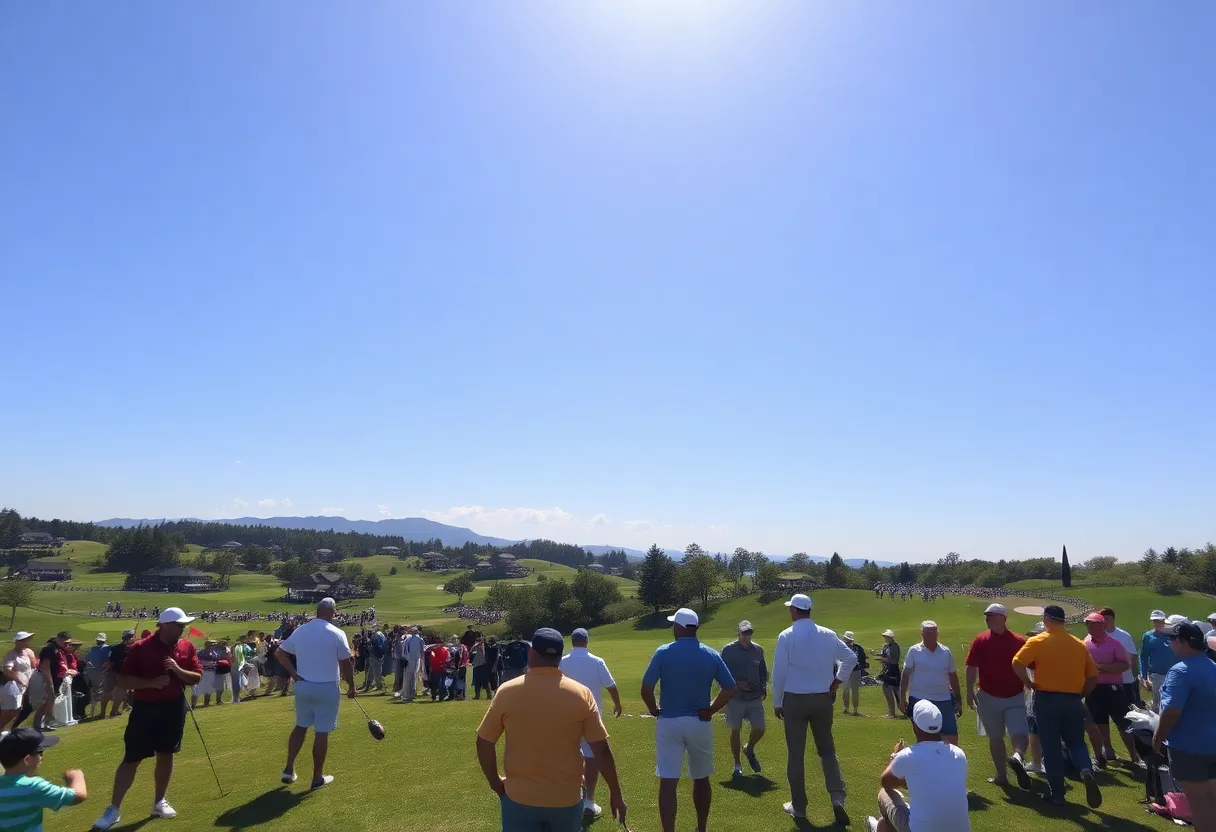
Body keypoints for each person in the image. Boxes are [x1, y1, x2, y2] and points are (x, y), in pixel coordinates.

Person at [476, 628, 627, 831]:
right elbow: (601, 749)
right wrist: (615, 793)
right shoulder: (582, 694)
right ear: (559, 656)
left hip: (520, 797)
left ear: (532, 654)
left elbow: (484, 741)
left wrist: (495, 783)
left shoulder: (507, 691)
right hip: (566, 799)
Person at [91, 607, 204, 830]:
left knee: (166, 753)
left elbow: (196, 677)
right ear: (164, 625)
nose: (183, 628)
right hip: (145, 708)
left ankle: (159, 801)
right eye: (179, 624)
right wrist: (151, 683)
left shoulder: (186, 646)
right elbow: (123, 680)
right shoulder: (140, 648)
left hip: (174, 707)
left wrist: (178, 670)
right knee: (132, 757)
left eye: (184, 624)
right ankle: (113, 809)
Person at [641, 607, 737, 832]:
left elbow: (646, 688)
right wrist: (711, 710)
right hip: (699, 723)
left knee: (668, 780)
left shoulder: (663, 652)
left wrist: (653, 708)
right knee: (701, 777)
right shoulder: (710, 653)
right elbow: (730, 688)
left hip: (669, 722)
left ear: (679, 627)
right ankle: (701, 828)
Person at [771, 593, 855, 824]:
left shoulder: (786, 636)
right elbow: (850, 657)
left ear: (795, 611)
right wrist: (837, 681)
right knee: (827, 750)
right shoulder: (828, 634)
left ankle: (799, 808)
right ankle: (837, 797)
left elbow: (778, 674)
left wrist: (777, 702)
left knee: (796, 755)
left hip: (795, 700)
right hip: (822, 699)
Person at [1011, 605, 1102, 809]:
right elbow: (1093, 677)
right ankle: (1086, 770)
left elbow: (1017, 663)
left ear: (1046, 619)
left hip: (1046, 699)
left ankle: (1057, 793)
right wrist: (1081, 694)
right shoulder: (1079, 644)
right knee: (1076, 742)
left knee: (1050, 746)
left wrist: (1028, 683)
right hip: (1072, 699)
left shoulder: (1038, 640)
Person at [274, 597, 356, 790]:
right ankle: (317, 777)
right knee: (322, 731)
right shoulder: (337, 633)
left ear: (317, 611)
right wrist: (352, 686)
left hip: (303, 686)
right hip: (326, 688)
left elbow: (280, 653)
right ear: (333, 613)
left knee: (301, 726)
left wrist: (293, 674)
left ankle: (288, 769)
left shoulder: (301, 630)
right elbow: (345, 663)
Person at [865, 700, 970, 832]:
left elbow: (886, 782)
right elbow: (937, 783)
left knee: (884, 794)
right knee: (886, 822)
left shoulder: (908, 755)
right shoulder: (958, 754)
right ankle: (880, 827)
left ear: (915, 726)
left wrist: (894, 757)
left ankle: (877, 829)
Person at [1153, 620, 1216, 831]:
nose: (1170, 644)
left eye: (1172, 639)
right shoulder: (1213, 667)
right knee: (1212, 800)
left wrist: (1158, 736)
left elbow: (1171, 711)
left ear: (1183, 642)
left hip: (1189, 748)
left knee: (1199, 803)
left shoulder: (1180, 671)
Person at [964, 603, 1030, 788]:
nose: (987, 619)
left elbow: (1030, 666)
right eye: (986, 616)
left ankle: (1016, 758)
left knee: (1018, 732)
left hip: (1015, 695)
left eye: (991, 616)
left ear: (1003, 618)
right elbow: (971, 667)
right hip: (988, 695)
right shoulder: (980, 640)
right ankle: (1003, 773)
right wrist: (969, 690)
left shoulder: (1019, 641)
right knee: (996, 736)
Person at [560, 627, 623, 819]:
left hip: (566, 717)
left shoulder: (562, 662)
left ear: (572, 642)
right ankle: (589, 801)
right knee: (591, 757)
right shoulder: (597, 661)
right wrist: (618, 704)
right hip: (591, 716)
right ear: (586, 641)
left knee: (568, 756)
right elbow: (611, 686)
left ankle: (569, 798)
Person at [1081, 612, 1142, 770]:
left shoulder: (1114, 643)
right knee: (1099, 723)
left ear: (1102, 625)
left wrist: (1100, 667)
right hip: (1094, 689)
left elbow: (1124, 665)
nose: (1089, 626)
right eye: (1088, 624)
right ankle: (1106, 753)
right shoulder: (1085, 643)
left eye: (1093, 623)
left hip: (1114, 689)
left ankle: (1135, 757)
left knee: (1123, 724)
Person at [0, 728, 87, 828]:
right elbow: (79, 796)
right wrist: (76, 776)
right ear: (27, 760)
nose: (42, 757)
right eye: (40, 753)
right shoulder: (33, 787)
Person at [900, 621, 961, 745]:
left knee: (951, 736)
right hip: (919, 699)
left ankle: (948, 762)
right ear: (922, 634)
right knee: (924, 737)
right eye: (928, 633)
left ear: (937, 633)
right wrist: (902, 698)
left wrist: (958, 700)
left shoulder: (945, 652)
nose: (931, 635)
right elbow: (905, 675)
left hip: (943, 699)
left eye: (934, 632)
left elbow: (953, 676)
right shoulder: (914, 651)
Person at [721, 620, 768, 778]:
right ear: (738, 633)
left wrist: (763, 687)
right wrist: (737, 683)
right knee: (736, 730)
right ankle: (737, 764)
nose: (747, 636)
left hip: (754, 696)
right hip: (735, 697)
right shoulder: (728, 650)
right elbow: (721, 672)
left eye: (749, 633)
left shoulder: (758, 650)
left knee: (759, 728)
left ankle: (749, 748)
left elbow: (763, 672)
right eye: (744, 633)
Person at [1098, 607, 1141, 710]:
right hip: (1103, 682)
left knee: (1129, 712)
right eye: (1101, 620)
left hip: (1125, 681)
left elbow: (1133, 658)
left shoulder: (1124, 636)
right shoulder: (1095, 637)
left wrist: (1135, 678)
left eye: (1106, 619)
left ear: (1113, 619)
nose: (1104, 622)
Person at [1, 633, 38, 735]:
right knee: (10, 711)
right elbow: (7, 670)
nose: (26, 642)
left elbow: (31, 667)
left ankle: (11, 730)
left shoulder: (26, 653)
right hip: (14, 687)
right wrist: (19, 679)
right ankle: (4, 730)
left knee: (20, 709)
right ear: (17, 642)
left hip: (25, 686)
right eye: (23, 640)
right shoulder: (12, 654)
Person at [1141, 609, 1175, 712]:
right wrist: (1144, 677)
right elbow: (1144, 657)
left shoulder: (1172, 635)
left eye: (1160, 621)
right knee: (1159, 703)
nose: (1157, 623)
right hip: (1157, 675)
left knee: (1173, 702)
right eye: (1155, 621)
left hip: (1175, 673)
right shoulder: (1148, 636)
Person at [105, 631, 135, 718]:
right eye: (131, 637)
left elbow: (111, 661)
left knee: (112, 692)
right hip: (120, 674)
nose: (133, 639)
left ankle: (109, 712)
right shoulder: (130, 649)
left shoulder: (115, 648)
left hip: (114, 672)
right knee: (119, 694)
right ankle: (113, 712)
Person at [841, 631, 868, 716]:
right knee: (845, 690)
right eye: (846, 641)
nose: (847, 643)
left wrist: (861, 667)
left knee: (855, 690)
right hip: (845, 671)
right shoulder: (841, 648)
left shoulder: (858, 648)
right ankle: (846, 708)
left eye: (849, 641)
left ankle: (855, 709)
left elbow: (862, 659)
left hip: (856, 671)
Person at [877, 630, 902, 718]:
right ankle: (892, 712)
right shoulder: (885, 646)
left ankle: (897, 712)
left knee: (896, 693)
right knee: (887, 691)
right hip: (887, 671)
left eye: (887, 637)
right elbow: (884, 655)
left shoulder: (895, 646)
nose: (885, 638)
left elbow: (895, 660)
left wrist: (883, 659)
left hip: (893, 671)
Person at [400, 626, 423, 702]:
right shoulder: (418, 639)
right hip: (414, 661)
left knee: (408, 678)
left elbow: (403, 651)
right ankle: (410, 694)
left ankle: (409, 694)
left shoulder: (408, 639)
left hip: (408, 660)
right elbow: (421, 651)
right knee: (413, 677)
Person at [231, 635, 252, 703]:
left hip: (240, 667)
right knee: (237, 684)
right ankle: (236, 699)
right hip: (235, 667)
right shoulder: (237, 647)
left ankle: (238, 698)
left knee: (242, 683)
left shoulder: (243, 647)